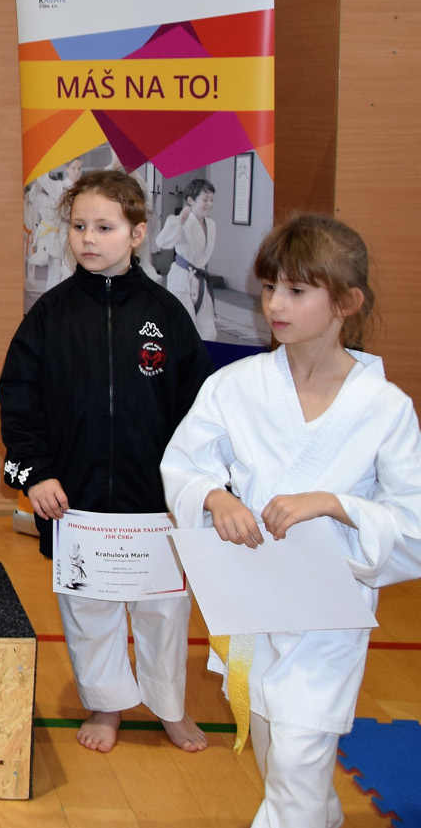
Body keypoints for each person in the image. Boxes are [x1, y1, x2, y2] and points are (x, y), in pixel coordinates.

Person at [162, 215, 421, 828]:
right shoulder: (236, 385)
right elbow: (183, 465)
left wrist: (335, 504)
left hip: (328, 616)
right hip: (252, 604)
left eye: (297, 291)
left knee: (297, 757)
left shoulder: (384, 408)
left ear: (346, 303)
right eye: (270, 287)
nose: (275, 304)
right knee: (280, 757)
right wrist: (215, 498)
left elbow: (412, 527)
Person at [0, 169, 213, 753]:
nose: (88, 238)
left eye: (104, 227)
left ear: (138, 234)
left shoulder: (167, 315)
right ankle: (106, 704)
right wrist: (35, 473)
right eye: (78, 227)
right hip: (77, 498)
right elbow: (18, 400)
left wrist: (195, 486)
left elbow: (200, 410)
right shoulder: (50, 316)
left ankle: (169, 706)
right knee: (89, 608)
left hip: (155, 501)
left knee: (163, 610)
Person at [156, 177, 217, 339]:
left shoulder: (211, 224)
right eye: (205, 199)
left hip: (200, 278)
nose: (210, 204)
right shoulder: (178, 221)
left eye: (211, 199)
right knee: (183, 326)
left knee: (208, 331)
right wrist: (180, 222)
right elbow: (162, 242)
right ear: (191, 200)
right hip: (182, 278)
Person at [26, 157, 83, 292]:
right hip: (59, 230)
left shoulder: (82, 189)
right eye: (73, 168)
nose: (77, 172)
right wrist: (47, 162)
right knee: (54, 269)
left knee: (70, 269)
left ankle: (65, 294)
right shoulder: (59, 187)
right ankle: (52, 297)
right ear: (66, 169)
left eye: (79, 168)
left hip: (75, 230)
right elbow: (42, 179)